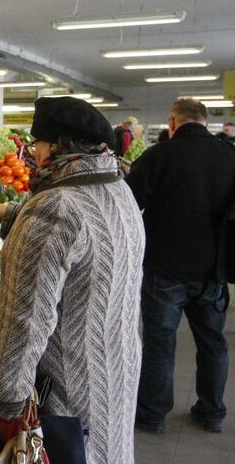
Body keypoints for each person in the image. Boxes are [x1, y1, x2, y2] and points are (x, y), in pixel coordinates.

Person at [0, 97, 145, 464]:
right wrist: (15, 214)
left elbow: (23, 322)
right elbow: (88, 237)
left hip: (66, 391)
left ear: (54, 146)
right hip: (113, 373)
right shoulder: (119, 189)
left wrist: (4, 406)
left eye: (36, 144)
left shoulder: (55, 207)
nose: (33, 153)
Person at [126, 99, 235, 434]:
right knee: (213, 342)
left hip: (165, 267)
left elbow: (129, 205)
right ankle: (212, 411)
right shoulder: (230, 156)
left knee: (161, 342)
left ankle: (152, 415)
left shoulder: (159, 156)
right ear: (204, 121)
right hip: (213, 269)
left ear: (172, 122)